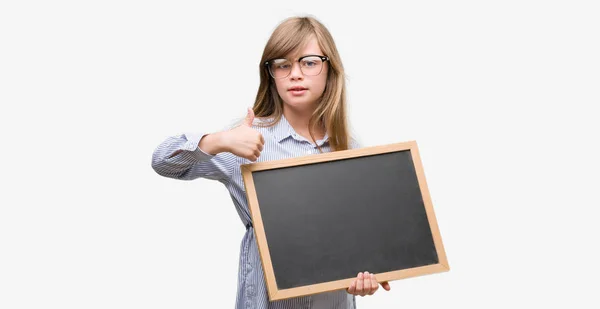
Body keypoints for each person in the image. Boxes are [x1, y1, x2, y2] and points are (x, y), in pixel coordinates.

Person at [152, 15, 391, 309]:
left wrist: (364, 277)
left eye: (309, 62)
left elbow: (357, 239)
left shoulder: (349, 149)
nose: (295, 74)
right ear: (271, 74)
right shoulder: (247, 141)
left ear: (330, 70)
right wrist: (219, 140)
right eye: (283, 64)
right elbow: (163, 161)